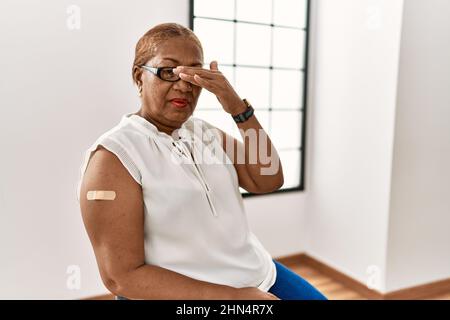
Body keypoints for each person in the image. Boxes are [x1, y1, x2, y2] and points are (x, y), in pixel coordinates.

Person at [77, 22, 326, 300]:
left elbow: (269, 177)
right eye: (168, 72)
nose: (184, 85)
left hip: (258, 274)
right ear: (139, 77)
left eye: (193, 73)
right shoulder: (113, 158)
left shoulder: (205, 133)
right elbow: (121, 278)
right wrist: (233, 297)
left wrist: (236, 106)